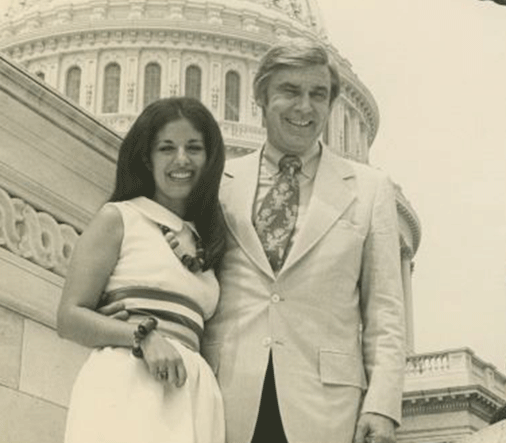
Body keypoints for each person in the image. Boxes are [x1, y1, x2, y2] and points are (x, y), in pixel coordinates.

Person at [202, 39, 406, 443]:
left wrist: (382, 404)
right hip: (229, 398)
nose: (305, 107)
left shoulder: (369, 189)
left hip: (328, 407)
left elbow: (384, 312)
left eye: (318, 94)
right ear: (261, 97)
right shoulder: (220, 183)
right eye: (290, 91)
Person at [57, 97, 226, 443]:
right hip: (130, 382)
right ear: (147, 158)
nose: (181, 159)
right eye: (166, 148)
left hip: (192, 391)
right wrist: (142, 336)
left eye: (194, 148)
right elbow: (69, 317)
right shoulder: (119, 218)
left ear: (209, 159)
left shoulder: (206, 238)